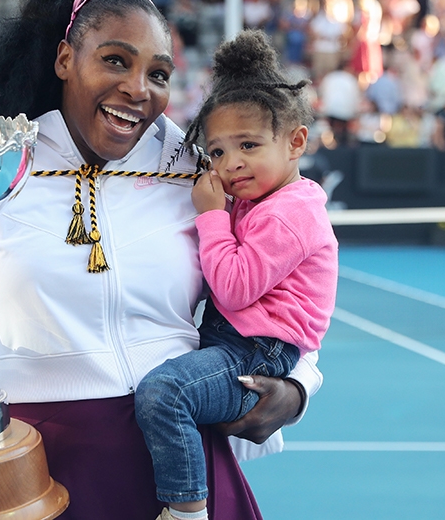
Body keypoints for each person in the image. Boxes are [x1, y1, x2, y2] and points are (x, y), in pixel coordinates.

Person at [0, 0, 323, 520]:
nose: (138, 89)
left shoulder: (200, 172)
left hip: (183, 467)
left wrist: (297, 386)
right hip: (37, 470)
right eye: (116, 61)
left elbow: (286, 282)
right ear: (64, 59)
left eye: (159, 73)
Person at [134, 30, 337, 520]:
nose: (231, 164)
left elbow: (233, 285)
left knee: (166, 392)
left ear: (295, 141)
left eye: (248, 144)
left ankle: (187, 512)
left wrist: (210, 215)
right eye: (218, 152)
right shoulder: (261, 200)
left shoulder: (287, 213)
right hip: (240, 340)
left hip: (256, 350)